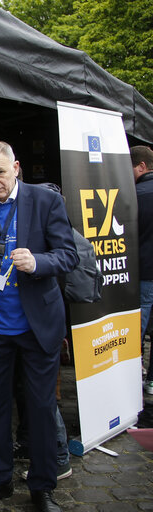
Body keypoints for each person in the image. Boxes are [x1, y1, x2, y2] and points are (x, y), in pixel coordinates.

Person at [0, 142, 78, 512]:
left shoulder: (45, 201)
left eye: (0, 172)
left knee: (39, 408)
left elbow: (68, 254)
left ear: (16, 167)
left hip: (37, 325)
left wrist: (37, 261)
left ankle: (42, 487)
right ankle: (0, 480)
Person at [132, 145, 153, 395]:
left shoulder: (135, 194)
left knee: (136, 329)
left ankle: (134, 383)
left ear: (141, 167)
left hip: (144, 273)